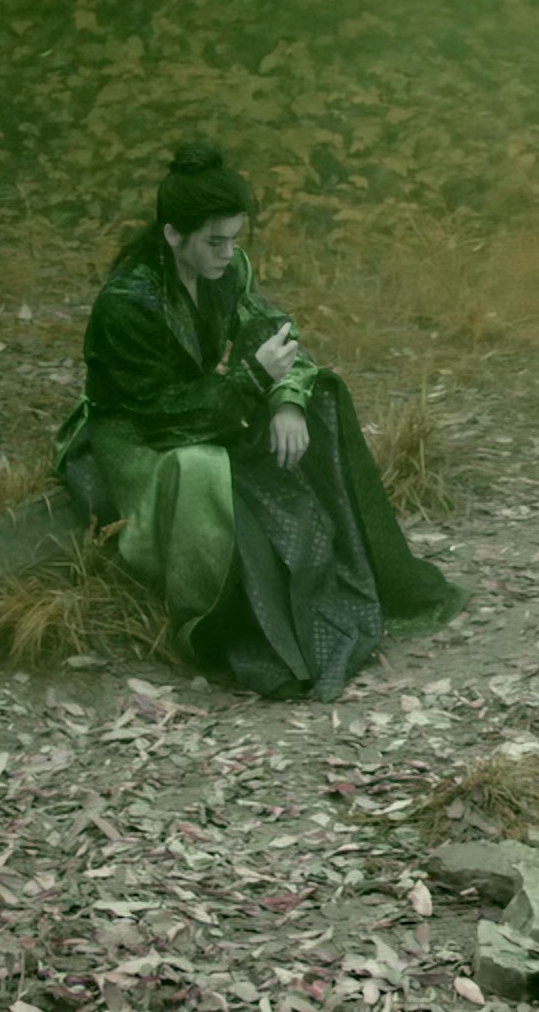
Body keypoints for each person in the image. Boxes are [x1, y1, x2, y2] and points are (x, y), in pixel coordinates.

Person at [52, 143, 462, 699]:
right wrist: (251, 381)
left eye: (234, 238)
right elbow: (162, 416)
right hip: (137, 438)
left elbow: (273, 330)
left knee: (319, 400)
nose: (228, 252)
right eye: (214, 241)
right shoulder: (127, 303)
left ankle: (360, 583)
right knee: (205, 474)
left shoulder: (226, 269)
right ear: (172, 234)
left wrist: (286, 400)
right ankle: (231, 637)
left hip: (206, 410)